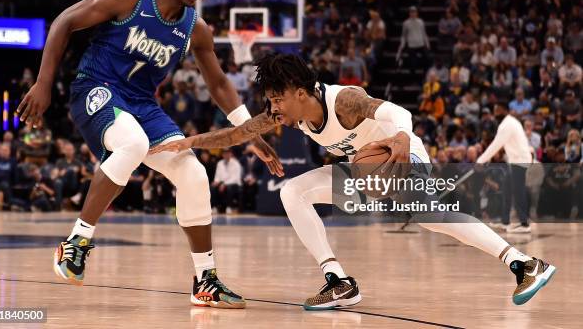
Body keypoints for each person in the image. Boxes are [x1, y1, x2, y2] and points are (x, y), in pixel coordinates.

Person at [152, 53, 555, 309]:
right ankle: (338, 280)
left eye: (277, 99)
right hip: (365, 169)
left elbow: (397, 113)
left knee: (431, 216)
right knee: (295, 190)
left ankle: (524, 263)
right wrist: (186, 142)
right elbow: (234, 135)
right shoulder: (284, 114)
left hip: (402, 155)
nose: (273, 108)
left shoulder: (342, 100)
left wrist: (398, 137)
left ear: (298, 91)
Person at [16, 0, 282, 308]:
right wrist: (44, 83)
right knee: (132, 145)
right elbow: (65, 21)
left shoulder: (195, 28)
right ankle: (76, 242)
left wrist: (251, 133)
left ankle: (205, 280)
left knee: (193, 173)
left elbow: (219, 84)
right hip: (95, 86)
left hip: (141, 103)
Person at [476, 102, 533, 233]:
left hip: (519, 160)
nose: (496, 113)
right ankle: (505, 221)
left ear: (505, 110)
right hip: (515, 160)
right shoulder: (510, 122)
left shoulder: (507, 124)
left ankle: (524, 224)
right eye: (495, 110)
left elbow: (496, 144)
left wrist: (481, 160)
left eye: (498, 110)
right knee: (507, 189)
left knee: (518, 191)